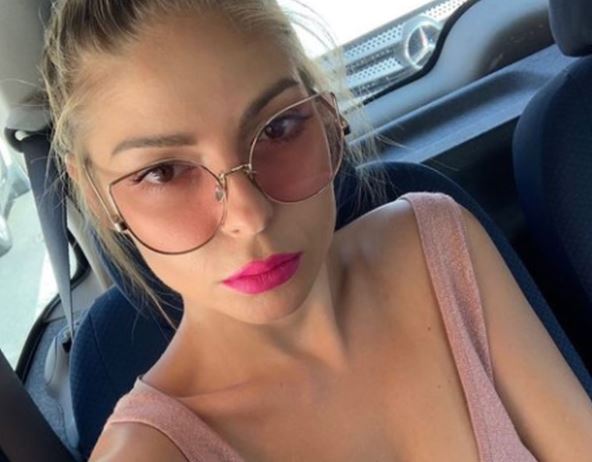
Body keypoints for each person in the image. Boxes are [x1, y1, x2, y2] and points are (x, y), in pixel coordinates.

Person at [40, 1, 592, 461]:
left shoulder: (438, 242)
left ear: (326, 117)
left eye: (278, 128)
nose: (250, 215)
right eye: (163, 172)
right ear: (95, 196)